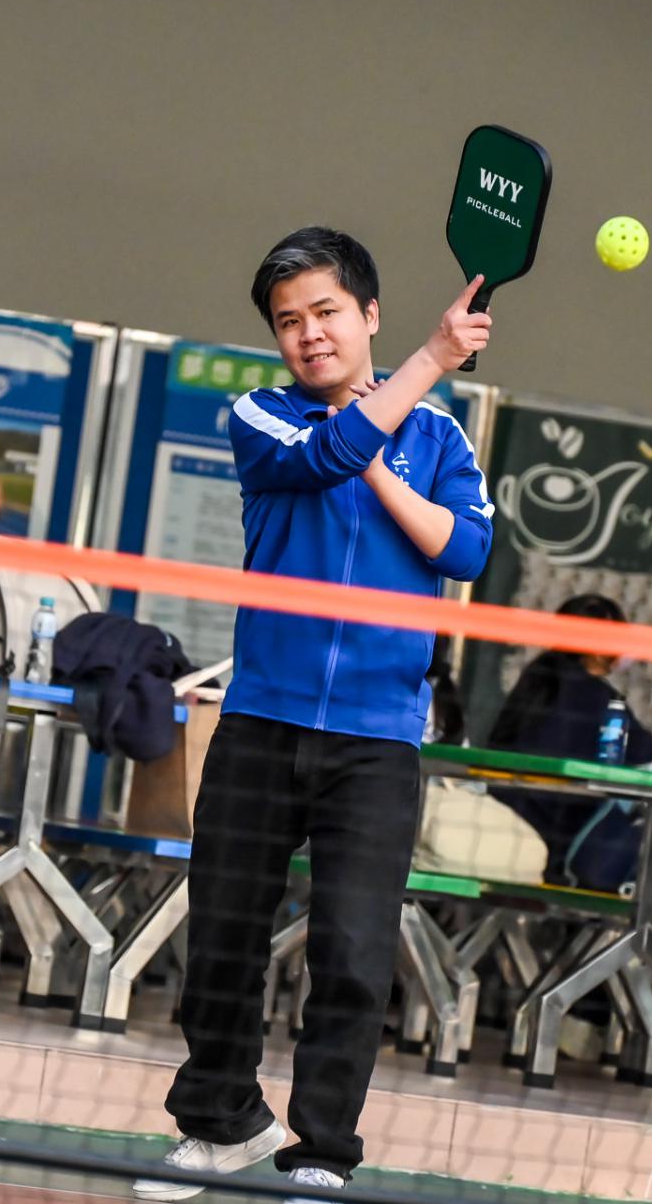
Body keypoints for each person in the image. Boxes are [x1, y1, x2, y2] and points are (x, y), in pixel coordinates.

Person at [134, 227, 492, 1203]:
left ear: (368, 314)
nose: (309, 334)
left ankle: (323, 1149)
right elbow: (328, 449)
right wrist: (427, 362)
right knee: (224, 933)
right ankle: (222, 1124)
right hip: (262, 718)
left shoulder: (442, 438)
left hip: (379, 738)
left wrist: (380, 457)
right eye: (289, 321)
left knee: (352, 952)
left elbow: (464, 551)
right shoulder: (261, 414)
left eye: (327, 311)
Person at [483, 594, 652, 881]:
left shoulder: (539, 674)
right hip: (548, 841)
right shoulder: (597, 698)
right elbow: (649, 755)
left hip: (499, 816)